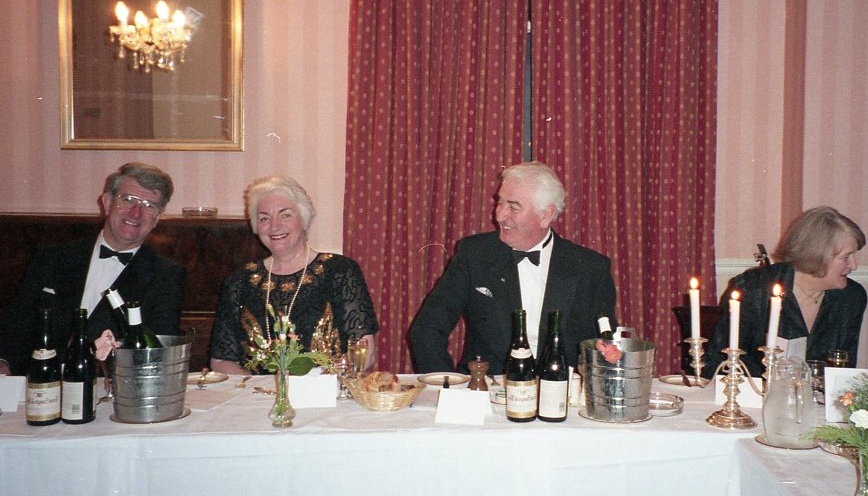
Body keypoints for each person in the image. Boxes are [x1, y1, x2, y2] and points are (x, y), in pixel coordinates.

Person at [409, 161, 617, 375]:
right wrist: (448, 387)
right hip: (486, 388)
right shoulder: (475, 254)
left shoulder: (590, 268)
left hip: (560, 390)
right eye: (500, 203)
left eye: (513, 207)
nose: (499, 215)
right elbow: (426, 330)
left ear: (546, 215)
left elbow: (606, 345)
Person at [0, 163, 185, 375]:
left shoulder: (166, 276)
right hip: (41, 379)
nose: (136, 212)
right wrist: (3, 361)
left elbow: (157, 349)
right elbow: (18, 323)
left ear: (157, 218)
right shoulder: (52, 258)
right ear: (107, 202)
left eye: (149, 205)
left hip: (107, 382)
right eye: (128, 199)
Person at [209, 175, 380, 375]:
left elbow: (364, 349)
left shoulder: (340, 271)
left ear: (304, 220)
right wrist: (267, 389)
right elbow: (221, 361)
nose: (274, 226)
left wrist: (316, 385)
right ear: (256, 227)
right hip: (258, 393)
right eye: (264, 218)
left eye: (285, 215)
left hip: (326, 390)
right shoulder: (239, 281)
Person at [703, 206, 868, 379]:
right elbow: (720, 362)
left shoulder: (852, 297)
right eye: (846, 257)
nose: (854, 265)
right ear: (817, 255)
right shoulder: (752, 289)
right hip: (755, 393)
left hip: (817, 395)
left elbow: (844, 369)